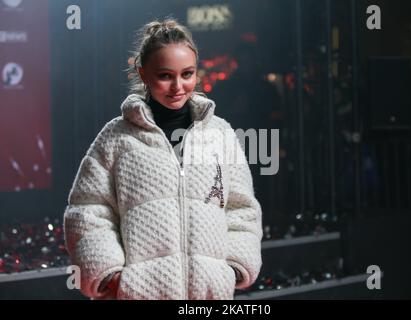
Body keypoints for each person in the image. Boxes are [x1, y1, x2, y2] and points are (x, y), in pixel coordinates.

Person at [63, 19, 262, 300]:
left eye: (187, 73)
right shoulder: (116, 137)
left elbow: (241, 208)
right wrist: (110, 275)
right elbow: (87, 210)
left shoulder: (220, 133)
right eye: (165, 75)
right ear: (143, 74)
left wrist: (233, 267)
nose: (178, 86)